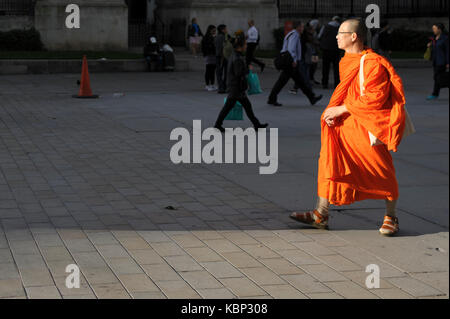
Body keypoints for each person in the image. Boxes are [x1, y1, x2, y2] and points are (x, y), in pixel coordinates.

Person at [290, 18, 408, 237]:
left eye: (341, 32)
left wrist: (340, 109)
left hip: (365, 126)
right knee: (329, 165)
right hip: (344, 127)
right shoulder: (347, 60)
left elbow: (376, 97)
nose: (336, 36)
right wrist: (336, 113)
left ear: (354, 36)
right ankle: (321, 214)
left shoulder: (372, 63)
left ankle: (391, 216)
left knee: (381, 169)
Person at [214, 35, 268, 132]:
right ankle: (218, 124)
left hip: (236, 86)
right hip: (236, 87)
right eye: (245, 44)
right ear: (240, 46)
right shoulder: (237, 58)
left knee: (245, 106)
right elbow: (238, 72)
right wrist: (248, 69)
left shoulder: (234, 55)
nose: (246, 46)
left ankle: (257, 124)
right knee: (230, 107)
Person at [267, 21, 323, 107]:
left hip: (289, 61)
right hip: (290, 62)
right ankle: (272, 98)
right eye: (302, 27)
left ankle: (311, 97)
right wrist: (294, 60)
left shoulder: (291, 34)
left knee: (299, 81)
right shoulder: (295, 35)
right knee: (283, 81)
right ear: (298, 27)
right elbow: (291, 49)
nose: (303, 29)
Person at [427, 23, 449, 100]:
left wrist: (448, 62)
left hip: (442, 62)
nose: (433, 30)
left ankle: (435, 94)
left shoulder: (445, 39)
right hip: (435, 61)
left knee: (439, 78)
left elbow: (447, 51)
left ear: (439, 29)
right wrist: (430, 46)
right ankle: (435, 94)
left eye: (435, 29)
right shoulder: (434, 38)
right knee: (438, 78)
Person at [319, 16, 342, 89]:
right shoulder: (340, 28)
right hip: (336, 49)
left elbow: (319, 36)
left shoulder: (325, 26)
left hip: (326, 49)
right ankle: (336, 83)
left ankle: (325, 83)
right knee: (336, 68)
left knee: (325, 67)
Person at [201, 25, 217, 91]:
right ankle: (207, 85)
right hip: (209, 55)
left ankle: (212, 84)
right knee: (208, 69)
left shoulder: (213, 37)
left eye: (215, 30)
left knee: (213, 70)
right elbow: (205, 46)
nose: (215, 32)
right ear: (210, 30)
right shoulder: (206, 37)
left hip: (213, 55)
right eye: (214, 30)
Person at [215, 24, 229, 94]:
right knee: (222, 72)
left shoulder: (218, 37)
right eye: (226, 29)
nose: (227, 30)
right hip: (222, 57)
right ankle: (222, 87)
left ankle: (222, 87)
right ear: (222, 30)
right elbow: (222, 48)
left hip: (220, 56)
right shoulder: (222, 37)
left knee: (220, 73)